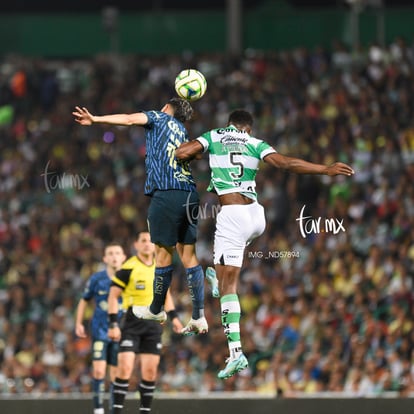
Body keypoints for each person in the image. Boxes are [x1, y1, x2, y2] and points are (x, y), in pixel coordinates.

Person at [175, 109, 355, 379]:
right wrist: (325, 169)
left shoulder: (214, 135)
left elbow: (180, 153)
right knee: (221, 268)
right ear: (248, 128)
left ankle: (236, 352)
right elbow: (285, 163)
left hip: (232, 215)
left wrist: (199, 152)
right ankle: (215, 279)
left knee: (228, 287)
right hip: (257, 217)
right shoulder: (255, 142)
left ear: (229, 125)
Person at [73, 99, 207, 336]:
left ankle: (156, 308)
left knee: (163, 255)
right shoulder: (183, 131)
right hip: (190, 194)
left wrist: (96, 119)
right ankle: (199, 315)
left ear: (167, 107)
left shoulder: (158, 116)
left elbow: (128, 118)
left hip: (166, 195)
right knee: (189, 256)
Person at [107, 231, 182, 414]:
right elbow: (113, 296)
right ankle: (116, 411)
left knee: (149, 372)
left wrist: (175, 318)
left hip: (153, 323)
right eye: (143, 241)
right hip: (132, 321)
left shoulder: (160, 266)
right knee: (124, 369)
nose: (148, 244)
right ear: (136, 245)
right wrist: (113, 324)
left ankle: (145, 411)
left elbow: (166, 295)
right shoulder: (128, 267)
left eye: (150, 241)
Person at [75, 243, 127, 414]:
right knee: (98, 370)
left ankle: (113, 410)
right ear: (105, 258)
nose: (114, 256)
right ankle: (98, 410)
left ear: (123, 257)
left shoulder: (129, 277)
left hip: (121, 332)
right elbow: (84, 300)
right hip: (100, 330)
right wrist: (79, 323)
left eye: (117, 253)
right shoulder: (97, 279)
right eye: (110, 253)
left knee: (114, 374)